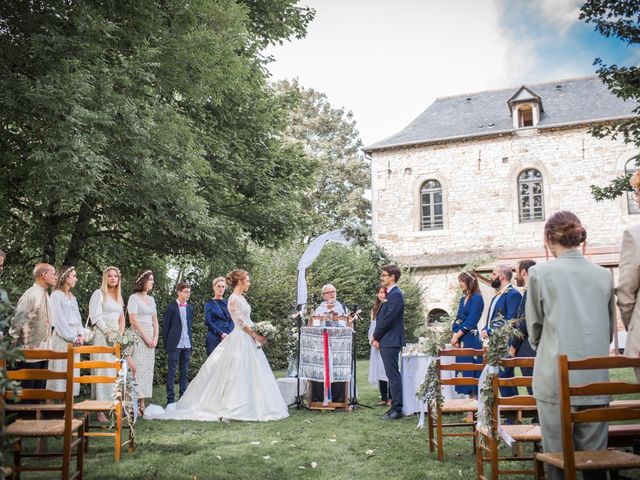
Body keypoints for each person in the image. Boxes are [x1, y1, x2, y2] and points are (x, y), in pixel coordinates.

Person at [526, 211, 615, 480]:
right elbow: (609, 330)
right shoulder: (603, 274)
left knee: (558, 459)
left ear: (549, 239)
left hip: (554, 375)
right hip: (597, 376)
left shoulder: (539, 273)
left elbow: (535, 329)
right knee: (594, 460)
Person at [144, 269, 288, 422]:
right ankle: (233, 405)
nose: (249, 283)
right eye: (247, 280)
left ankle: (253, 402)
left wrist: (258, 331)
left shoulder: (240, 298)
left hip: (247, 336)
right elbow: (239, 321)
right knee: (236, 371)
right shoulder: (233, 298)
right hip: (242, 335)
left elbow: (246, 319)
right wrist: (254, 334)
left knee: (249, 371)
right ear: (240, 282)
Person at [9, 263, 56, 390]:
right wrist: (15, 343)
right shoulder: (30, 294)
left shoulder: (45, 294)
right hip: (29, 353)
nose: (56, 277)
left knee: (38, 392)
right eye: (53, 274)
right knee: (26, 393)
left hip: (44, 351)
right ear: (44, 275)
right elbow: (18, 320)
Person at [89, 266, 125, 422]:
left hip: (115, 337)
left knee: (114, 372)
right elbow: (95, 316)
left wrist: (120, 335)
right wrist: (107, 332)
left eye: (115, 276)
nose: (112, 278)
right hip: (102, 336)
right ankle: (99, 410)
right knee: (101, 370)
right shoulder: (99, 294)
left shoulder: (118, 296)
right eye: (110, 276)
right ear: (105, 278)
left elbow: (122, 318)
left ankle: (114, 405)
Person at [47, 266, 90, 395]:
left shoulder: (73, 297)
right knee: (59, 372)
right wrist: (73, 338)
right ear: (66, 277)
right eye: (74, 276)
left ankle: (67, 410)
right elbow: (59, 321)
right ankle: (51, 408)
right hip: (62, 338)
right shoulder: (56, 296)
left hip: (74, 340)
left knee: (71, 373)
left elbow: (77, 319)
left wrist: (81, 335)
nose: (76, 279)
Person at [481, 264, 522, 397]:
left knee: (505, 377)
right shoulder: (496, 296)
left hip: (505, 343)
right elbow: (493, 319)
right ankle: (513, 414)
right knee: (502, 378)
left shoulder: (513, 295)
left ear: (501, 276)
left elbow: (511, 320)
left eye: (493, 274)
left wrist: (491, 332)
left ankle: (511, 415)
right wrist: (485, 328)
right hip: (495, 343)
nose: (491, 277)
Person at [615, 169, 640, 381]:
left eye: (638, 192)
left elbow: (626, 293)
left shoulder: (635, 235)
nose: (635, 197)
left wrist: (633, 325)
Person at [372, 264, 405, 420]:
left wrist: (375, 335)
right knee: (391, 375)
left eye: (384, 275)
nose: (381, 278)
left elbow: (389, 319)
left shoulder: (396, 294)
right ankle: (393, 407)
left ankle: (397, 409)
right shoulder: (389, 294)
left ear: (392, 277)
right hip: (387, 340)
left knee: (393, 376)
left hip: (391, 340)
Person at [450, 271, 484, 418]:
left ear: (470, 281)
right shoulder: (463, 298)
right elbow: (458, 318)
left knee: (472, 374)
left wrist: (458, 335)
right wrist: (454, 335)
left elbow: (471, 320)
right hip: (461, 339)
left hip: (471, 339)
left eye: (462, 281)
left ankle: (475, 411)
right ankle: (470, 410)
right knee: (464, 372)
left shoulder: (477, 299)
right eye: (459, 281)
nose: (460, 284)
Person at [128, 270, 158, 414]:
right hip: (138, 335)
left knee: (147, 370)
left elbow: (155, 320)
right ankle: (133, 403)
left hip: (151, 335)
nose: (152, 282)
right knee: (137, 369)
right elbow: (133, 320)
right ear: (143, 281)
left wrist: (156, 337)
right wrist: (145, 337)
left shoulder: (152, 300)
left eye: (153, 280)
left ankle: (142, 403)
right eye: (150, 279)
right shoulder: (133, 298)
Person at [162, 281, 194, 405]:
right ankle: (170, 400)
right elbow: (165, 327)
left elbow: (188, 326)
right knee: (171, 372)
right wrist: (167, 344)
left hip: (187, 344)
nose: (188, 294)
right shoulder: (171, 307)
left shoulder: (190, 308)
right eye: (186, 292)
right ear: (179, 292)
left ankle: (182, 399)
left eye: (189, 292)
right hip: (174, 344)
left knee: (184, 372)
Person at [509, 259, 537, 395]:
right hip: (530, 346)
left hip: (528, 347)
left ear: (524, 272)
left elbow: (524, 322)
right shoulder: (531, 290)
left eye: (516, 271)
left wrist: (513, 346)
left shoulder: (532, 291)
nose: (515, 276)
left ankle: (538, 415)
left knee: (533, 384)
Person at [368, 285, 390, 406]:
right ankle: (383, 396)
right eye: (380, 292)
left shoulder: (390, 307)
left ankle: (391, 397)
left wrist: (382, 340)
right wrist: (373, 340)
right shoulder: (375, 309)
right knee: (380, 369)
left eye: (384, 292)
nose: (382, 295)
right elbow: (373, 326)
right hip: (376, 342)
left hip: (386, 342)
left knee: (388, 369)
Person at [204, 277, 234, 355]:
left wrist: (228, 333)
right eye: (218, 286)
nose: (221, 288)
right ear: (214, 287)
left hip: (228, 336)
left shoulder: (228, 303)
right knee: (214, 363)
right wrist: (221, 333)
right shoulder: (209, 303)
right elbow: (208, 321)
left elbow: (233, 319)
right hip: (214, 337)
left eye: (223, 286)